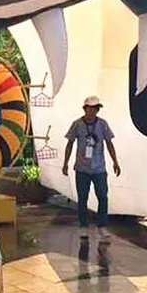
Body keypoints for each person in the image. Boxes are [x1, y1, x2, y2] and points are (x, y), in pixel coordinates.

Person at [62, 96, 121, 243]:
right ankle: (83, 226)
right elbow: (70, 143)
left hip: (99, 168)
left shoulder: (102, 124)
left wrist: (115, 161)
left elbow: (109, 143)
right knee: (82, 198)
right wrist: (65, 163)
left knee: (102, 196)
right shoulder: (77, 124)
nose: (94, 111)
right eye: (92, 108)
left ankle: (102, 226)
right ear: (85, 108)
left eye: (96, 108)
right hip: (82, 168)